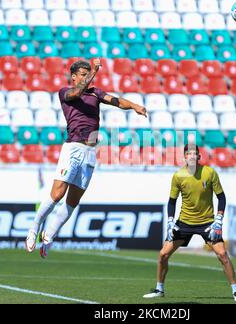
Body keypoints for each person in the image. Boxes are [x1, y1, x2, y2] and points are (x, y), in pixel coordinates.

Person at [25, 59, 148, 258]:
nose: (85, 77)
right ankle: (34, 228)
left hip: (90, 152)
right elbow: (77, 92)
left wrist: (134, 105)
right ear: (74, 77)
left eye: (87, 74)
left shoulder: (96, 93)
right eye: (82, 74)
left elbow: (116, 101)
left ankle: (49, 236)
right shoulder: (65, 92)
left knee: (73, 201)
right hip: (72, 148)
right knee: (57, 195)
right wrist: (94, 72)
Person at [143, 144, 236, 302]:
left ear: (199, 156)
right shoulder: (178, 176)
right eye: (188, 153)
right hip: (184, 222)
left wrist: (219, 219)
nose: (192, 156)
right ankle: (159, 289)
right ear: (184, 157)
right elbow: (171, 201)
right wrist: (170, 221)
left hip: (207, 223)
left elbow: (221, 197)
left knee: (223, 254)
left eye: (194, 153)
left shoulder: (209, 172)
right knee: (163, 254)